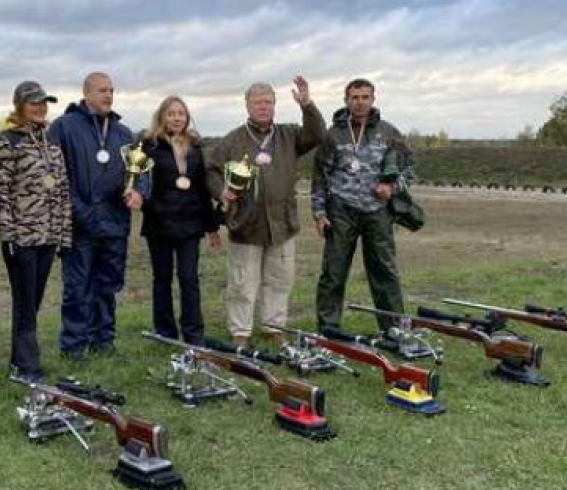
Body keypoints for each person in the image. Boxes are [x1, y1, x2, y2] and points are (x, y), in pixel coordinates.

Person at [206, 76, 325, 347]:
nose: (263, 107)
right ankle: (240, 331)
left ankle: (273, 326)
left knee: (279, 280)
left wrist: (307, 104)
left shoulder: (290, 135)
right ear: (247, 105)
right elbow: (211, 170)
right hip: (246, 223)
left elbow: (318, 134)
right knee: (242, 283)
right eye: (258, 102)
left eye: (268, 102)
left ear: (275, 105)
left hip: (282, 223)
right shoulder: (233, 140)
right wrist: (220, 190)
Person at [49, 72, 148, 361]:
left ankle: (103, 340)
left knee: (107, 286)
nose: (108, 95)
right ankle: (74, 345)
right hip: (79, 223)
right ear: (86, 93)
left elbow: (140, 172)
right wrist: (80, 211)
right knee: (78, 287)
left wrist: (139, 192)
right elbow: (55, 176)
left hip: (115, 222)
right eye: (102, 90)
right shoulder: (64, 127)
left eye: (112, 91)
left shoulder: (123, 133)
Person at [312, 78, 413, 333]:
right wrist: (319, 212)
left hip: (377, 213)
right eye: (354, 98)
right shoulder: (333, 134)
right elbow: (320, 175)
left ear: (373, 99)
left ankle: (393, 329)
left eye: (365, 97)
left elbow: (409, 169)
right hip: (340, 211)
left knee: (385, 272)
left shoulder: (389, 132)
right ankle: (329, 329)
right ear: (346, 100)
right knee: (333, 273)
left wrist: (392, 188)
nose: (360, 102)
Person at [0, 80, 72, 385]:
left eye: (43, 103)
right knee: (24, 301)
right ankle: (27, 366)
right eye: (33, 103)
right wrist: (8, 235)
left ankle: (18, 360)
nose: (40, 108)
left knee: (33, 301)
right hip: (22, 238)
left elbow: (62, 191)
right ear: (19, 106)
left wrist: (64, 235)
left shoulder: (51, 145)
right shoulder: (6, 143)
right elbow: (2, 192)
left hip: (48, 236)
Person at [138, 96, 221, 345]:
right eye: (171, 113)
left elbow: (203, 190)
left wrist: (212, 227)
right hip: (159, 224)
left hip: (190, 225)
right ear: (162, 116)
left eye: (181, 114)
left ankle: (194, 334)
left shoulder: (196, 148)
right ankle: (165, 332)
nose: (176, 118)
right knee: (162, 280)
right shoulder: (149, 146)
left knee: (189, 279)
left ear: (187, 118)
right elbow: (141, 183)